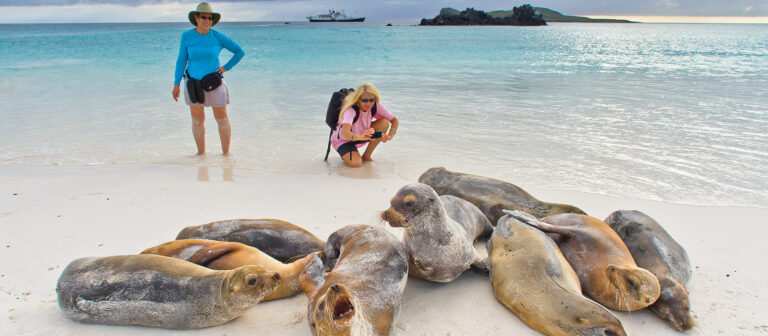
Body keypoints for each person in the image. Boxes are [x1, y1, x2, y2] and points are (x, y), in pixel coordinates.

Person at [172, 2, 244, 155]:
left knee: (222, 119)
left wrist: (226, 67)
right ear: (196, 18)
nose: (207, 21)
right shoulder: (187, 36)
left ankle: (226, 155)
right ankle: (201, 155)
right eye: (203, 17)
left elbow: (239, 52)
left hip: (215, 82)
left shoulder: (217, 36)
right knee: (197, 121)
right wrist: (176, 83)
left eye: (210, 18)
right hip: (193, 83)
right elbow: (181, 60)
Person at [330, 83, 399, 168]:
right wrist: (361, 137)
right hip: (344, 140)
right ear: (358, 99)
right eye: (365, 100)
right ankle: (350, 154)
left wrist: (389, 136)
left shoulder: (376, 105)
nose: (369, 103)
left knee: (384, 122)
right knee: (356, 164)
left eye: (371, 100)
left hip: (364, 134)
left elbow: (395, 121)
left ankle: (366, 156)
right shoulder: (351, 110)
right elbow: (345, 133)